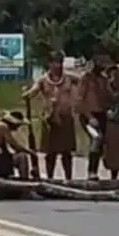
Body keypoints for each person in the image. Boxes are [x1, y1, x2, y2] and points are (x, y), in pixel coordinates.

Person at [22, 51, 78, 181]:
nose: (57, 66)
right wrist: (26, 94)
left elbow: (85, 82)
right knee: (50, 152)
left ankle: (68, 179)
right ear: (49, 64)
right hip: (49, 120)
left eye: (60, 62)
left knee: (67, 152)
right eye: (55, 63)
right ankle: (50, 178)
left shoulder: (69, 78)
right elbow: (32, 92)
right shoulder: (43, 80)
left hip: (66, 118)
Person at [77, 51, 113, 180]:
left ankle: (103, 168)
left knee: (103, 143)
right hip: (88, 116)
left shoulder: (104, 80)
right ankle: (91, 172)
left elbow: (109, 99)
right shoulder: (85, 79)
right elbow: (80, 101)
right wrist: (89, 117)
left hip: (101, 114)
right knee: (96, 138)